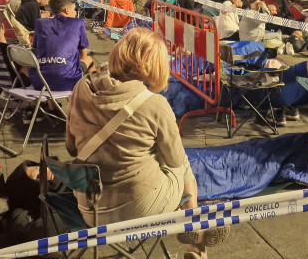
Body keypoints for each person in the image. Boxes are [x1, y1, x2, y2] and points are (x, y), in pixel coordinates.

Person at [65, 28, 228, 258]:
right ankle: (196, 239)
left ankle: (196, 236)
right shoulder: (154, 104)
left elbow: (71, 147)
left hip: (90, 209)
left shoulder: (81, 87)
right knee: (182, 164)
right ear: (156, 64)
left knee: (159, 155)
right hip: (138, 209)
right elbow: (175, 160)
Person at [30, 0, 93, 92]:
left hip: (40, 81)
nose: (75, 13)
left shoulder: (40, 23)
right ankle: (92, 92)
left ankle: (52, 106)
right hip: (67, 80)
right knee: (88, 59)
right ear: (67, 10)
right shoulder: (78, 23)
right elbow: (83, 53)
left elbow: (36, 49)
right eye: (74, 9)